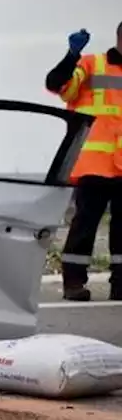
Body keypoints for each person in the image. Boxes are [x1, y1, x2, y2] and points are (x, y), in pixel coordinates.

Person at [44, 24, 122, 301]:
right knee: (85, 224)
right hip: (94, 161)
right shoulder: (91, 64)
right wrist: (71, 55)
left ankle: (121, 284)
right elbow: (57, 85)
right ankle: (74, 283)